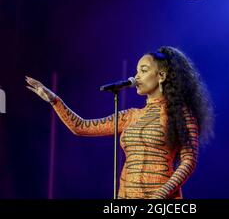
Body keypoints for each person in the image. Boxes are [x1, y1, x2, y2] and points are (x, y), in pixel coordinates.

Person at [26, 46, 214, 199]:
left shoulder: (181, 114)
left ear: (162, 76)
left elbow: (189, 161)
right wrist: (54, 100)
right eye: (136, 71)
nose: (137, 76)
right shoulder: (130, 116)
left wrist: (161, 194)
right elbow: (81, 126)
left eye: (144, 70)